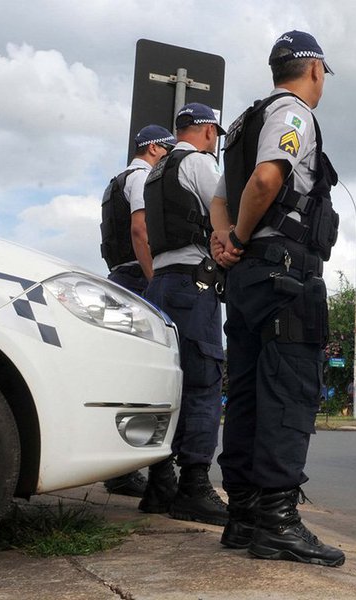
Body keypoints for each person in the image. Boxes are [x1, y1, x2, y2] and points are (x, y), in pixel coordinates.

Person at [209, 30, 344, 567]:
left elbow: (221, 198)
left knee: (245, 395)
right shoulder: (293, 114)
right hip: (283, 276)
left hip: (245, 281)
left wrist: (226, 240)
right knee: (288, 393)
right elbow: (267, 180)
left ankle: (242, 517)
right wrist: (239, 238)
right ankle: (278, 524)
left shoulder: (243, 125)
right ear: (314, 70)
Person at [136, 103, 229, 525]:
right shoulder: (199, 163)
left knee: (164, 387)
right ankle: (194, 484)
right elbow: (224, 210)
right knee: (202, 385)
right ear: (208, 131)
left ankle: (160, 483)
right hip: (195, 285)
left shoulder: (155, 172)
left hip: (160, 284)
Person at [99, 124, 174, 497]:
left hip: (118, 275)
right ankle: (130, 472)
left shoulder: (117, 180)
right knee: (150, 381)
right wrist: (154, 278)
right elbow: (140, 230)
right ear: (156, 149)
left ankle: (119, 470)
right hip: (136, 276)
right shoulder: (143, 177)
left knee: (126, 380)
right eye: (168, 149)